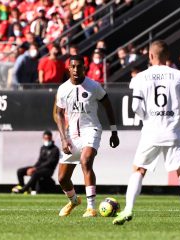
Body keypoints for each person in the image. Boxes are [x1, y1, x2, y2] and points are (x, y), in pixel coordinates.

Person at [113, 40, 180, 227]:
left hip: (151, 131)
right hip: (174, 129)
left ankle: (128, 209)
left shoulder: (140, 78)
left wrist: (147, 119)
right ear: (168, 57)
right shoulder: (179, 75)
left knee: (139, 170)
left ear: (150, 56)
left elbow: (135, 106)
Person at [56, 55, 120, 218]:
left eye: (79, 66)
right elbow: (58, 114)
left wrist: (114, 131)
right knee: (62, 178)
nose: (76, 70)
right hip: (72, 135)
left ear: (84, 68)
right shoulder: (63, 89)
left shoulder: (94, 86)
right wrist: (63, 138)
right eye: (73, 67)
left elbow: (108, 106)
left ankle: (91, 208)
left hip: (91, 130)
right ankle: (74, 201)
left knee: (86, 161)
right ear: (69, 68)